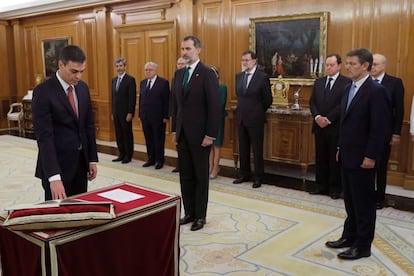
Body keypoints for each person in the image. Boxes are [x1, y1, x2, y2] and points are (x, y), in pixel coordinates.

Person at [325, 48, 389, 260]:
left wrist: (371, 156)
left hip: (364, 158)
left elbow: (379, 128)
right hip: (347, 155)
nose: (348, 67)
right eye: (348, 63)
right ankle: (349, 236)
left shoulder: (375, 90)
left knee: (364, 204)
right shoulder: (347, 88)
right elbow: (345, 124)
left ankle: (362, 246)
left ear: (365, 65)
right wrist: (339, 149)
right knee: (350, 201)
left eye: (353, 63)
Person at [32, 45, 98, 200]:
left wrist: (92, 158)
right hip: (57, 167)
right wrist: (54, 177)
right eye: (74, 71)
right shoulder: (43, 92)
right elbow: (44, 137)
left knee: (79, 210)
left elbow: (88, 125)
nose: (79, 76)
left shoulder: (82, 88)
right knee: (57, 216)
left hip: (80, 165)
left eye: (82, 71)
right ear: (61, 65)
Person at [170, 35, 221, 231]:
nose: (184, 52)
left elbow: (214, 107)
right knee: (186, 176)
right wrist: (175, 129)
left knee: (200, 177)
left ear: (198, 50)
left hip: (201, 137)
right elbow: (177, 106)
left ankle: (200, 216)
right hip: (183, 134)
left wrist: (210, 134)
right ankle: (189, 212)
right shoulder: (179, 74)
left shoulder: (207, 73)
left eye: (188, 49)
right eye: (183, 49)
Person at [309, 54, 351, 199]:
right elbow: (312, 102)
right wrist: (317, 117)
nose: (328, 67)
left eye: (331, 65)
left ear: (339, 66)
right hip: (319, 126)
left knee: (334, 159)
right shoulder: (319, 82)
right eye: (326, 65)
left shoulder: (346, 82)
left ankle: (334, 188)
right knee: (320, 158)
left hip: (335, 127)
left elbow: (343, 105)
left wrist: (328, 119)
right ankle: (320, 185)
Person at [233, 50, 273, 188]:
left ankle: (258, 177)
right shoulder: (239, 76)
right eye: (243, 60)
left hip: (255, 119)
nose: (244, 63)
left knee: (257, 150)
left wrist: (258, 111)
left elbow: (268, 99)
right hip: (241, 118)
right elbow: (239, 96)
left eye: (247, 60)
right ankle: (244, 174)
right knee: (243, 148)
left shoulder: (262, 77)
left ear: (254, 61)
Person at [370, 53, 405, 209]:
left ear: (383, 66)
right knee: (365, 166)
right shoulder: (364, 82)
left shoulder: (394, 83)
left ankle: (379, 197)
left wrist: (396, 133)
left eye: (376, 64)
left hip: (384, 133)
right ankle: (366, 194)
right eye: (371, 63)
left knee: (380, 166)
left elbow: (399, 110)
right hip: (364, 133)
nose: (372, 67)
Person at [139, 61, 170, 170]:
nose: (148, 72)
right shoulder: (143, 83)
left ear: (155, 71)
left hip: (158, 117)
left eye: (150, 70)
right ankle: (150, 159)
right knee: (148, 139)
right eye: (146, 70)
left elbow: (166, 100)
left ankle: (159, 160)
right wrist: (140, 114)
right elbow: (141, 99)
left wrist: (166, 116)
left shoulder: (163, 82)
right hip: (145, 116)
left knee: (158, 139)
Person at [111, 58, 137, 164]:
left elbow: (132, 98)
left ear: (125, 66)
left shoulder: (130, 80)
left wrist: (130, 112)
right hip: (116, 113)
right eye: (117, 66)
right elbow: (113, 98)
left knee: (127, 135)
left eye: (121, 66)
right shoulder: (114, 80)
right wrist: (113, 112)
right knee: (119, 134)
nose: (119, 68)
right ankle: (121, 154)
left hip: (126, 113)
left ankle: (128, 155)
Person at [209, 66, 228, 179]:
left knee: (217, 145)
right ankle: (210, 166)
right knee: (209, 145)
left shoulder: (222, 87)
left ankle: (216, 167)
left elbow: (221, 104)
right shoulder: (205, 87)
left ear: (217, 74)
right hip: (207, 120)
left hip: (217, 119)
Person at [170, 57, 187, 173]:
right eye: (178, 63)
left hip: (189, 116)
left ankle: (186, 165)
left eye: (182, 63)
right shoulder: (175, 77)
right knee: (178, 141)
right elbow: (173, 98)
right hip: (177, 114)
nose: (180, 65)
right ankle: (180, 164)